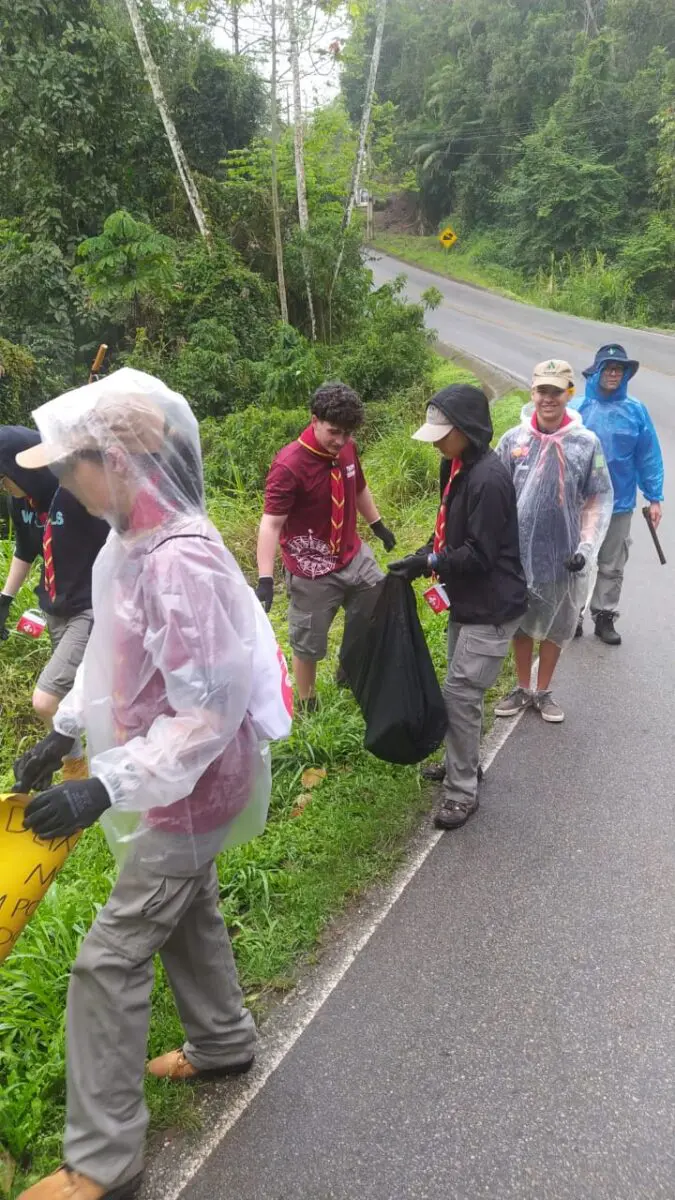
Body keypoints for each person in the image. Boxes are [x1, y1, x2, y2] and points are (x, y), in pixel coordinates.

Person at [13, 368, 292, 1200]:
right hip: (166, 779)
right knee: (187, 904)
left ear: (122, 463)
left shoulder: (181, 560)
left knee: (106, 961)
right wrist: (63, 734)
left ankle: (103, 1162)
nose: (63, 485)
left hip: (191, 782)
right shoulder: (130, 542)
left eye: (72, 469)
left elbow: (205, 713)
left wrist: (105, 785)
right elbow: (117, 664)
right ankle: (221, 1042)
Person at [387, 384, 528, 830]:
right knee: (461, 691)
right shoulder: (453, 465)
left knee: (460, 695)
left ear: (468, 430)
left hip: (492, 606)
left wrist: (430, 561)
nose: (436, 442)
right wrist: (426, 551)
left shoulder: (489, 479)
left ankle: (462, 791)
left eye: (443, 433)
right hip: (465, 601)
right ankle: (461, 762)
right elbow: (448, 525)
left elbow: (480, 555)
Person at [256, 382, 396, 708]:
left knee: (378, 605)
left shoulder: (347, 448)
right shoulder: (289, 466)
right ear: (314, 419)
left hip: (353, 556)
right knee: (308, 641)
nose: (340, 441)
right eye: (334, 431)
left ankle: (350, 670)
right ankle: (307, 703)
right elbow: (271, 523)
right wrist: (265, 578)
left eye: (347, 433)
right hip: (312, 571)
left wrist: (378, 525)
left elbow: (358, 487)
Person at [494, 360, 613, 725]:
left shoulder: (585, 443)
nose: (548, 398)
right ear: (532, 393)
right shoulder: (513, 440)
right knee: (522, 620)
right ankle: (521, 686)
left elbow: (598, 497)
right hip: (518, 554)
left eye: (556, 391)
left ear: (569, 394)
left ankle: (542, 691)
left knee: (558, 623)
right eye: (542, 391)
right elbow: (495, 495)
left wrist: (585, 547)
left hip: (564, 556)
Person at [0, 426, 108, 780]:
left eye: (4, 477)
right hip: (55, 609)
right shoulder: (20, 501)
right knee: (75, 692)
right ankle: (88, 760)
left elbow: (118, 539)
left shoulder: (76, 493)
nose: (3, 485)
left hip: (88, 608)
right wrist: (5, 598)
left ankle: (74, 765)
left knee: (45, 700)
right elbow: (26, 550)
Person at [572, 343, 664, 645]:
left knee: (613, 562)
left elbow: (648, 455)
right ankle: (572, 615)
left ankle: (605, 616)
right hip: (581, 502)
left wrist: (654, 498)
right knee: (578, 559)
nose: (614, 372)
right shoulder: (577, 410)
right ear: (596, 371)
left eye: (619, 368)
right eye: (609, 367)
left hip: (621, 502)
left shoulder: (636, 412)